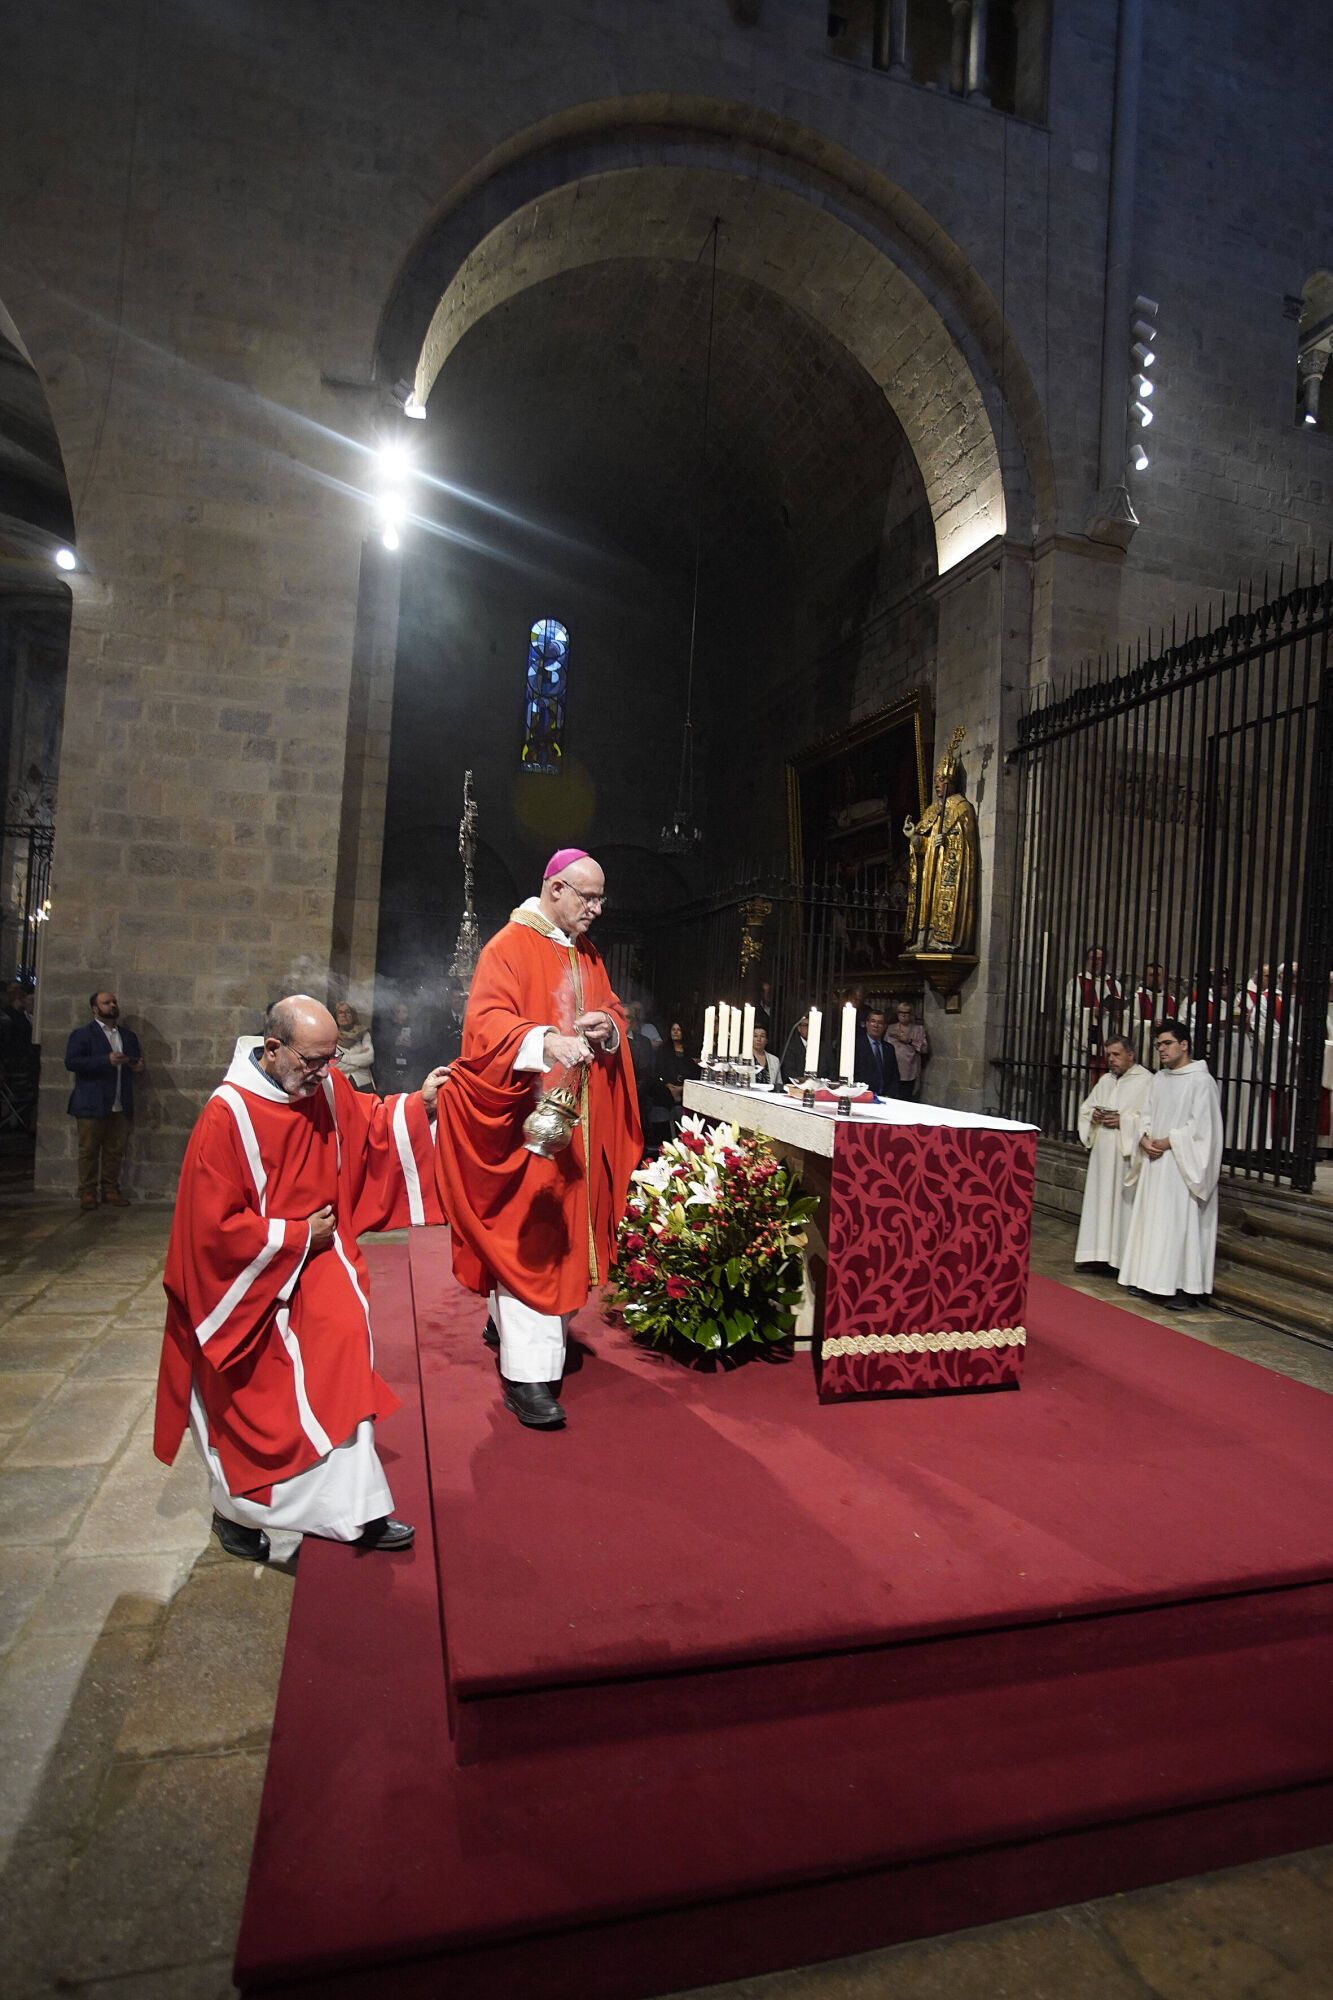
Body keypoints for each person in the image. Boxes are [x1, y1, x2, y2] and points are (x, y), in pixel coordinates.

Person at [154, 995, 447, 1562]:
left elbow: (370, 1127)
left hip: (320, 1259)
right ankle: (238, 1512)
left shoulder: (325, 1086)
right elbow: (208, 1228)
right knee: (257, 1403)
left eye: (330, 1058)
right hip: (252, 1281)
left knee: (343, 1347)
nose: (323, 1072)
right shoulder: (227, 1114)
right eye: (312, 1060)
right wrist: (292, 1238)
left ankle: (355, 1507)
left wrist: (421, 1105)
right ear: (272, 1048)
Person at [433, 848, 642, 1431]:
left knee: (570, 1235)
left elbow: (613, 1008)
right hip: (531, 1125)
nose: (597, 909)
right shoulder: (508, 946)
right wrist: (545, 1039)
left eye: (600, 898)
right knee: (535, 1238)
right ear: (555, 889)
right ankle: (527, 1377)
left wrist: (607, 1027)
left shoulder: (586, 952)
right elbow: (486, 1024)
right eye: (588, 897)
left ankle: (511, 1324)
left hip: (582, 1128)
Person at [1118, 1019, 1224, 1308]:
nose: (1161, 1049)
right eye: (1158, 1045)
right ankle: (1152, 1281)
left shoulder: (1201, 1081)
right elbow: (1145, 1114)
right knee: (1156, 1224)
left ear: (1184, 1045)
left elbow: (1204, 1129)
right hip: (1156, 1162)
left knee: (1179, 1225)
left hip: (1181, 1165)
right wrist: (1143, 1137)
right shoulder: (1160, 1079)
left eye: (1167, 1043)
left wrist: (1169, 1141)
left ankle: (1183, 1288)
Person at [1074, 1035, 1152, 1270]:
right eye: (1108, 1055)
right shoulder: (1106, 1080)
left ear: (1131, 1055)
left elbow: (1149, 1118)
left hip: (1124, 1155)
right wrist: (1093, 1115)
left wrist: (1123, 1120)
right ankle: (1096, 1255)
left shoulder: (1146, 1081)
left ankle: (1118, 1260)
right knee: (1099, 1202)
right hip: (1102, 1153)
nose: (1111, 1059)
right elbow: (1086, 1107)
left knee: (1120, 1205)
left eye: (1116, 1055)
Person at [901, 728, 980, 957]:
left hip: (948, 870)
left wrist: (948, 841)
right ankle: (924, 937)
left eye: (942, 780)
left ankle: (942, 937)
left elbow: (967, 848)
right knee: (927, 899)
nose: (938, 784)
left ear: (952, 782)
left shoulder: (961, 807)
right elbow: (923, 847)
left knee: (942, 900)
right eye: (936, 779)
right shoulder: (932, 810)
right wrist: (914, 838)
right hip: (931, 871)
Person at [65, 991, 144, 1210]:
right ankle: (87, 1192)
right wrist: (105, 1059)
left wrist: (136, 1065)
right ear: (95, 1008)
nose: (112, 1005)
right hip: (91, 1101)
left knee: (115, 1150)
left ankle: (110, 1189)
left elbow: (134, 1060)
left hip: (119, 1101)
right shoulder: (83, 1034)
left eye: (114, 1002)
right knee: (89, 1150)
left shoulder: (127, 1036)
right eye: (106, 1002)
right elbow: (72, 1062)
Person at [852, 1007, 903, 1098]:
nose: (876, 1025)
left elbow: (894, 1075)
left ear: (884, 1026)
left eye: (880, 1023)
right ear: (867, 1024)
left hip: (885, 1097)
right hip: (862, 1096)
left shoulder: (889, 1048)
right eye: (873, 1021)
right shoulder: (856, 1045)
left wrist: (890, 1095)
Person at [654, 1019, 692, 1137]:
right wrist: (668, 1086)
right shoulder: (663, 1050)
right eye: (673, 1029)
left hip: (686, 1092)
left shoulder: (690, 1051)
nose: (675, 1032)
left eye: (678, 1030)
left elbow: (694, 1072)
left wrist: (682, 1088)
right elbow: (658, 1070)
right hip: (665, 1091)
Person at [886, 999, 929, 1101]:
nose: (903, 1015)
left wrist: (909, 1041)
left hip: (910, 1072)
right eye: (901, 1012)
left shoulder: (918, 1029)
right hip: (893, 1070)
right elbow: (885, 1047)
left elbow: (925, 1049)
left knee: (907, 1098)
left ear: (911, 1014)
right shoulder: (891, 1028)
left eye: (907, 1012)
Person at [333, 1000, 376, 1092]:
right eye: (340, 1012)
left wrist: (343, 1058)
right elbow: (334, 1064)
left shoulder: (363, 1033)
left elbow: (369, 1058)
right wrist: (359, 1064)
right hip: (340, 1084)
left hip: (364, 1084)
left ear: (353, 1015)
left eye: (347, 1012)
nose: (344, 1015)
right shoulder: (331, 1036)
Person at [780, 1011, 812, 1083]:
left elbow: (831, 1070)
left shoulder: (825, 1048)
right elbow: (788, 1071)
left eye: (812, 1025)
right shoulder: (790, 1047)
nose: (809, 1028)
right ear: (799, 1028)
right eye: (806, 1025)